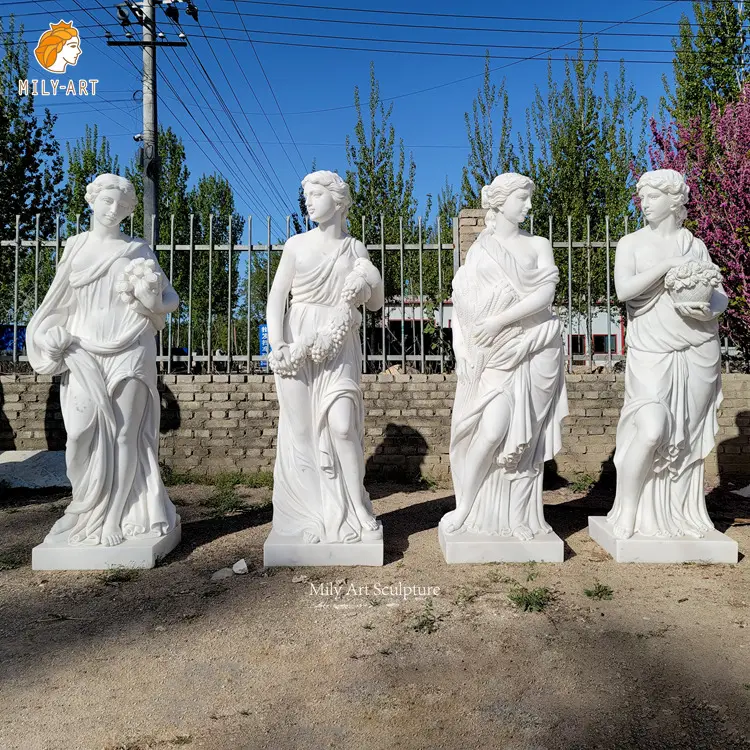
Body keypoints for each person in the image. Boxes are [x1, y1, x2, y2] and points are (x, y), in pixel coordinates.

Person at [27, 174, 179, 547]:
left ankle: (115, 516)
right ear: (92, 200)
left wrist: (154, 303)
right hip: (83, 351)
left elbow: (170, 298)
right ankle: (84, 507)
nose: (114, 210)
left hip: (131, 347)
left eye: (122, 206)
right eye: (107, 201)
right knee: (80, 434)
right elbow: (55, 306)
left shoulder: (138, 250)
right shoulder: (76, 248)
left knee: (126, 435)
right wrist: (49, 335)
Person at [441, 173, 568, 540]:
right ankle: (466, 505)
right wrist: (459, 346)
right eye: (521, 198)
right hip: (491, 355)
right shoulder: (480, 249)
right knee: (492, 428)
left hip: (533, 349)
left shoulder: (539, 245)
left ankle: (519, 517)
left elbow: (544, 297)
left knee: (524, 443)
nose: (528, 205)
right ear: (500, 203)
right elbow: (463, 304)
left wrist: (498, 321)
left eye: (529, 198)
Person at [608, 169, 727, 539]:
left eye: (653, 196)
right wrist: (666, 267)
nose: (644, 203)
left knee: (685, 439)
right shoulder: (632, 243)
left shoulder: (696, 246)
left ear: (675, 201)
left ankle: (679, 514)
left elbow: (719, 294)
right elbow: (624, 290)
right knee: (651, 429)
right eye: (642, 197)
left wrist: (708, 311)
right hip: (651, 350)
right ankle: (627, 509)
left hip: (697, 350)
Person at [266, 170, 384, 544]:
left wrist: (373, 277)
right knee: (300, 432)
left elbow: (376, 304)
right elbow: (276, 298)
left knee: (342, 426)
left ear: (338, 200)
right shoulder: (296, 245)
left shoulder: (355, 249)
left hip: (339, 340)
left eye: (317, 194)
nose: (309, 202)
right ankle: (312, 514)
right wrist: (277, 343)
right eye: (307, 197)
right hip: (299, 337)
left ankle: (357, 506)